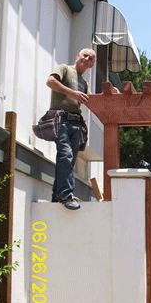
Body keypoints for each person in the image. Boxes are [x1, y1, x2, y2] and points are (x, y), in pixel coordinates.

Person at [46, 48, 96, 209]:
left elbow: (93, 101)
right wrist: (72, 93)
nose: (87, 59)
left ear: (92, 65)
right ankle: (65, 195)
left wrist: (112, 96)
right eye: (85, 55)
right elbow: (50, 82)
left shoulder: (84, 83)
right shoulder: (64, 69)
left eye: (91, 58)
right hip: (60, 119)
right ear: (77, 56)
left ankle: (57, 196)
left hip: (76, 123)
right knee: (66, 155)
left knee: (69, 160)